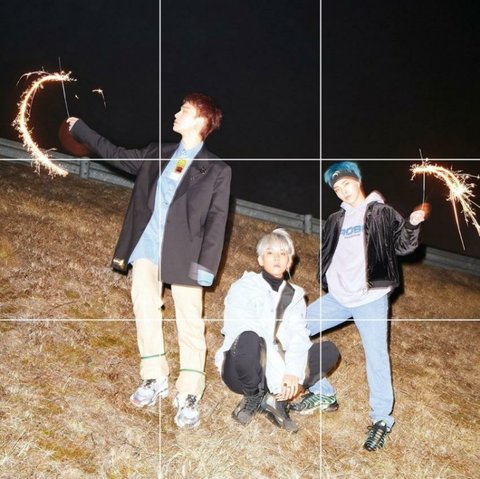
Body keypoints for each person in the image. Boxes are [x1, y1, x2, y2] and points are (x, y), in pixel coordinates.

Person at [67, 92, 231, 429]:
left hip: (186, 253)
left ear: (201, 120)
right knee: (144, 305)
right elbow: (116, 154)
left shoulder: (217, 169)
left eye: (184, 110)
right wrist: (81, 129)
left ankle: (189, 391)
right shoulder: (159, 152)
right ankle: (154, 376)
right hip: (147, 245)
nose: (177, 113)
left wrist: (207, 266)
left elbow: (217, 222)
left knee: (189, 320)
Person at [293, 161, 427, 451]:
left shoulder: (381, 212)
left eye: (346, 183)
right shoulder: (335, 219)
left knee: (376, 357)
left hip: (370, 299)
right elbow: (328, 253)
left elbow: (403, 246)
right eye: (336, 188)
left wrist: (412, 225)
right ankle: (322, 392)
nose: (342, 190)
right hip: (338, 298)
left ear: (358, 180)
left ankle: (381, 420)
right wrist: (326, 278)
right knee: (293, 328)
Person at [214, 228, 340, 432]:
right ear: (260, 259)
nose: (277, 258)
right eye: (270, 252)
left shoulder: (294, 296)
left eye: (283, 253)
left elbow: (299, 337)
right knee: (249, 337)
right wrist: (280, 377)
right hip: (242, 370)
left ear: (289, 261)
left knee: (329, 351)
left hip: (279, 370)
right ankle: (254, 396)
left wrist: (293, 373)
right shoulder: (243, 287)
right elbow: (246, 329)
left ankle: (275, 399)